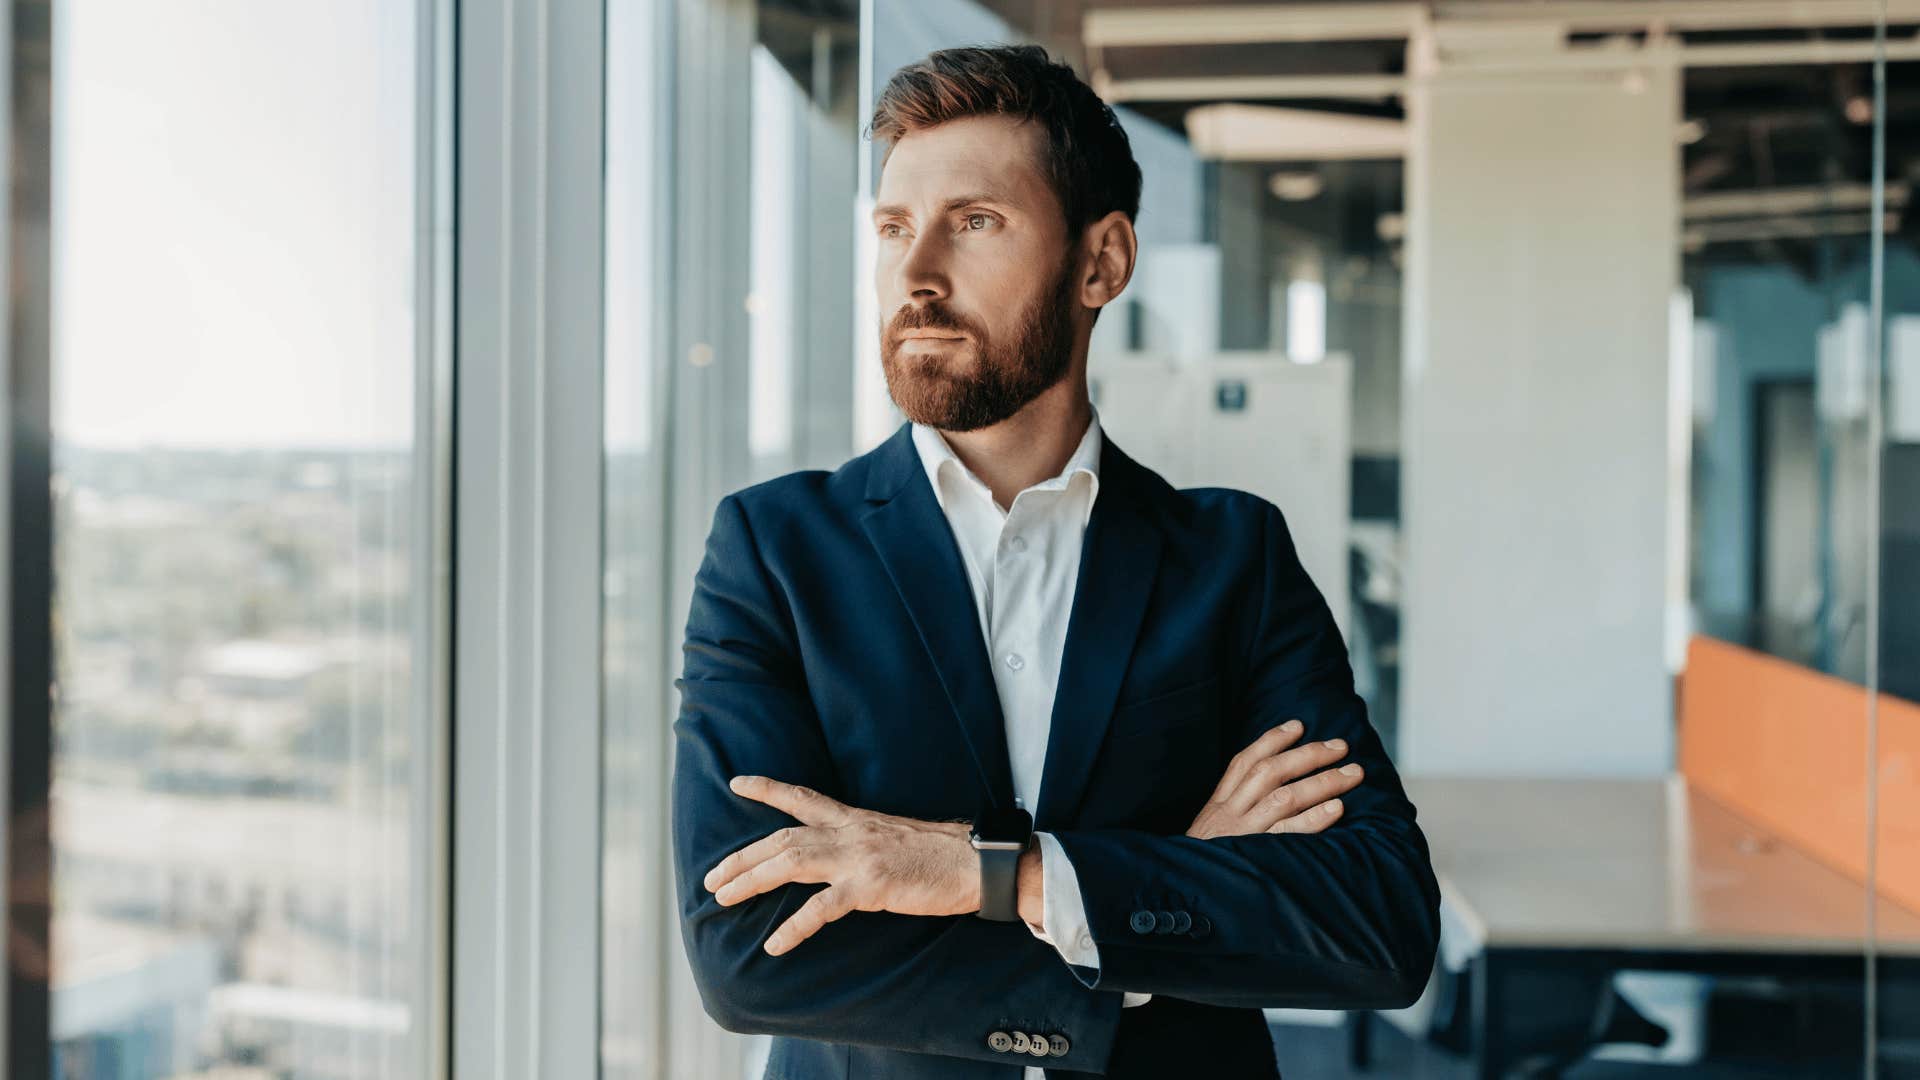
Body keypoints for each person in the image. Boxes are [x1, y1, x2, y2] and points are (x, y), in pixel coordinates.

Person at [671, 44, 1440, 1080]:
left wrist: (988, 875)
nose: (916, 274)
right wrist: (1156, 902)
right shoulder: (773, 553)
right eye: (894, 228)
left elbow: (1377, 922)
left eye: (974, 223)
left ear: (1101, 263)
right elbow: (748, 960)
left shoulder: (1231, 557)